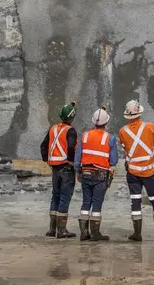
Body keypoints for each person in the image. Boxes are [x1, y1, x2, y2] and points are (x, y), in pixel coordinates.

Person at [118, 99, 154, 241]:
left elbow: (125, 148)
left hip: (133, 173)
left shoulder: (122, 131)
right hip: (149, 171)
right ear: (139, 112)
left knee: (135, 202)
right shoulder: (150, 127)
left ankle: (137, 234)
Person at [74, 106, 119, 241]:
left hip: (85, 173)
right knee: (97, 203)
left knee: (86, 202)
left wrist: (78, 171)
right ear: (106, 123)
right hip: (101, 175)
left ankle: (83, 232)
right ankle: (95, 233)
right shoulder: (109, 138)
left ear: (94, 122)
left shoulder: (85, 136)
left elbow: (78, 158)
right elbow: (114, 160)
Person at [40, 101, 78, 238]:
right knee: (64, 196)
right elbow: (71, 147)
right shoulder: (70, 131)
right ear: (72, 117)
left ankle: (52, 229)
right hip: (66, 167)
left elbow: (43, 145)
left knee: (55, 196)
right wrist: (72, 162)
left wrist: (47, 159)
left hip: (55, 167)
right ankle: (62, 230)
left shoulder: (53, 128)